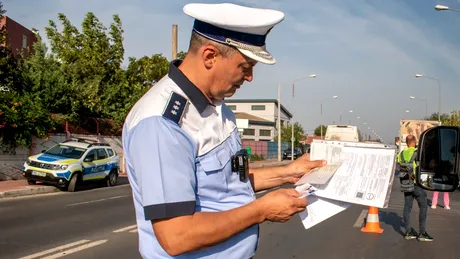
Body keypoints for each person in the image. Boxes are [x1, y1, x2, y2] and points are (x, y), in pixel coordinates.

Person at [122, 3, 327, 258]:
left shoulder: (217, 108)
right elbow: (176, 236)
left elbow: (231, 182)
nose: (250, 77)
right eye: (245, 66)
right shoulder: (163, 124)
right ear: (209, 56)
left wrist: (289, 172)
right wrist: (261, 210)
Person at [398, 134, 433, 242]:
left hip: (406, 184)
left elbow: (400, 165)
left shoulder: (401, 154)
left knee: (407, 207)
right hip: (417, 184)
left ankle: (408, 232)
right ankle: (422, 233)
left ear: (406, 143)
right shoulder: (418, 153)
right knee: (423, 207)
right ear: (415, 141)